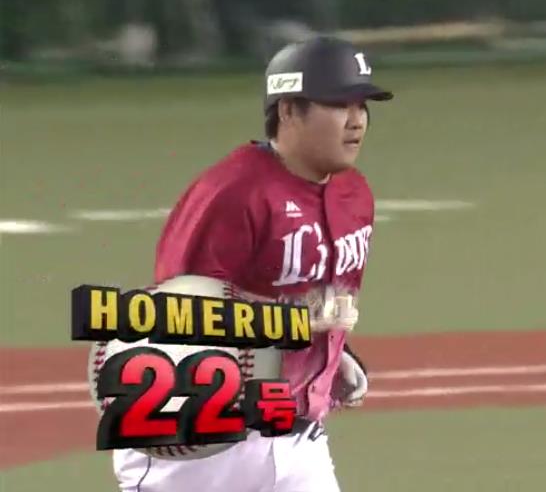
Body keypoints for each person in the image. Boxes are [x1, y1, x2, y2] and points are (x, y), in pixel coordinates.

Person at [111, 35, 393, 491]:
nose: (356, 119)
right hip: (199, 443)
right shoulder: (232, 194)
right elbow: (181, 315)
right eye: (339, 104)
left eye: (363, 105)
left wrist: (330, 355)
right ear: (288, 110)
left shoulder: (354, 195)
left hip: (297, 439)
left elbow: (304, 294)